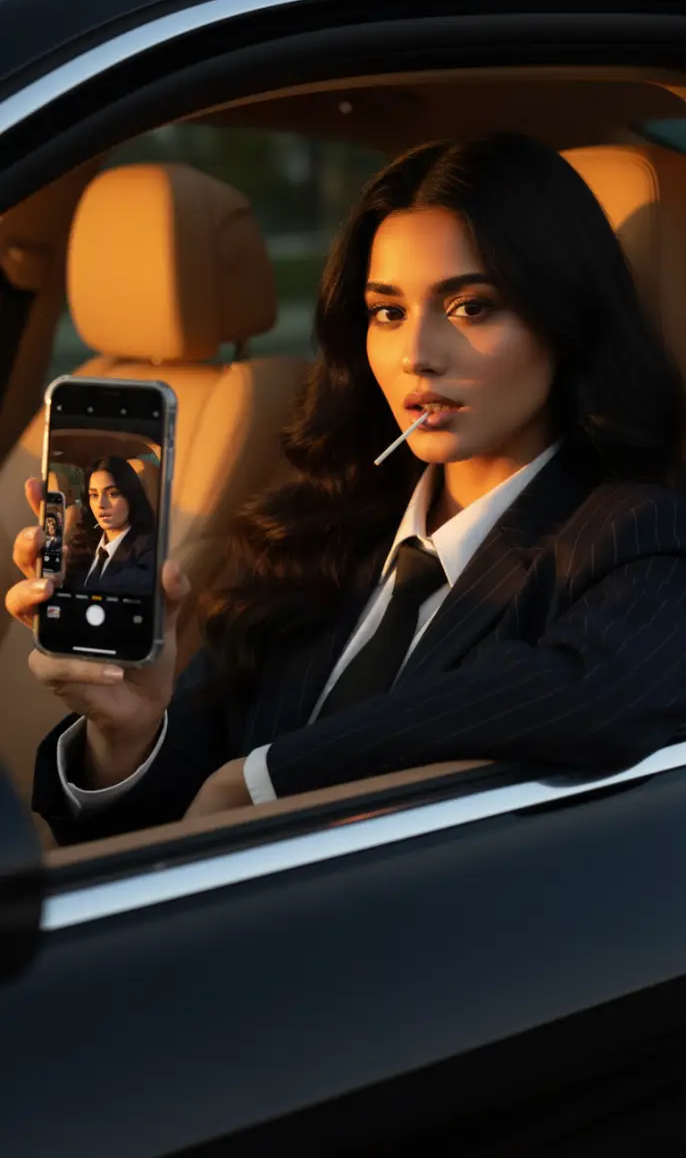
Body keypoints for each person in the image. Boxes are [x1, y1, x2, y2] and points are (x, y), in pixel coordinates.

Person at [7, 131, 686, 847]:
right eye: (387, 312)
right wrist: (127, 732)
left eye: (470, 307)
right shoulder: (324, 526)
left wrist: (265, 780)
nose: (416, 356)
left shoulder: (636, 534)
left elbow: (582, 694)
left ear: (566, 318)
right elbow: (152, 836)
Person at [64, 456, 156, 597]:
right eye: (94, 495)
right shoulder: (80, 546)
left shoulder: (149, 548)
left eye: (112, 494)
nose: (101, 504)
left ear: (130, 496)